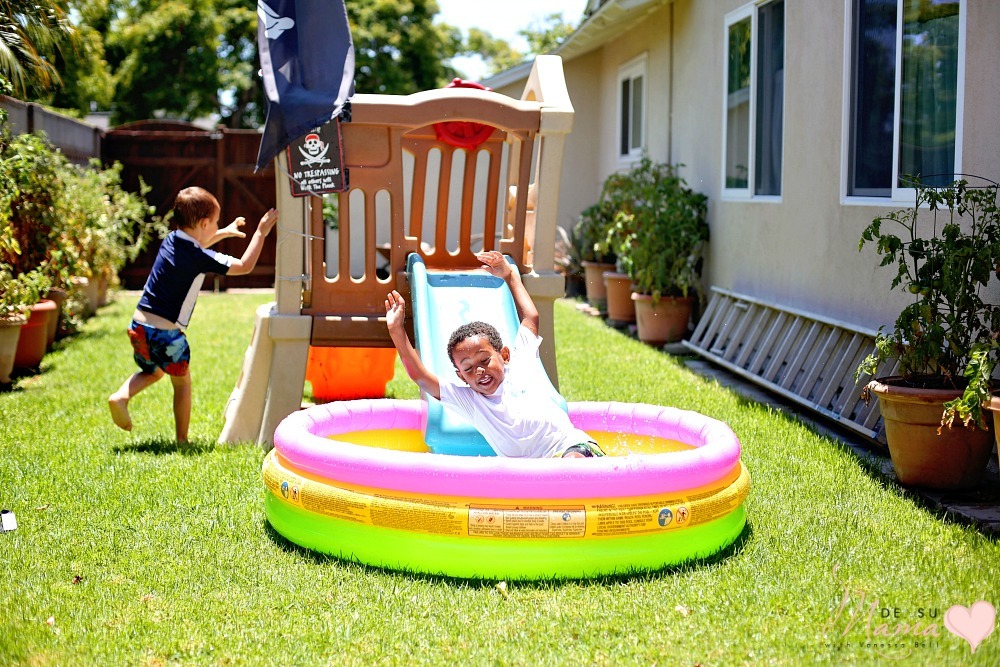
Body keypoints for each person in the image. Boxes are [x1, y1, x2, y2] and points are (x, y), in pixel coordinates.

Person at [385, 250, 604, 458]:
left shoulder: (521, 364)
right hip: (537, 472)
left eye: (484, 360)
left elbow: (531, 318)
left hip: (571, 448)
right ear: (461, 376)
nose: (479, 371)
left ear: (505, 355)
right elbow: (421, 377)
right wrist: (396, 331)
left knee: (570, 465)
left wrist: (510, 276)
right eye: (468, 368)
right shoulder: (470, 402)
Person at [108, 186, 278, 442]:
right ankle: (182, 439)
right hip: (167, 336)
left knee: (153, 371)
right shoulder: (199, 256)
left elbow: (197, 244)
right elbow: (244, 266)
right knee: (182, 384)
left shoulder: (171, 240)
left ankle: (121, 396)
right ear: (204, 223)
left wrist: (224, 231)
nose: (217, 226)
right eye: (216, 222)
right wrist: (260, 232)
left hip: (139, 327)